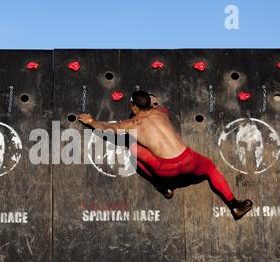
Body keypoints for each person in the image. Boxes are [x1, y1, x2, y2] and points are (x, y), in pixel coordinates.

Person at [78, 90, 253, 220]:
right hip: (188, 160)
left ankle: (163, 187)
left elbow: (108, 128)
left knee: (132, 148)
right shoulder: (160, 112)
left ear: (133, 107)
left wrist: (91, 121)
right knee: (210, 169)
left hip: (164, 169)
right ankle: (234, 206)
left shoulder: (131, 123)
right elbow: (155, 102)